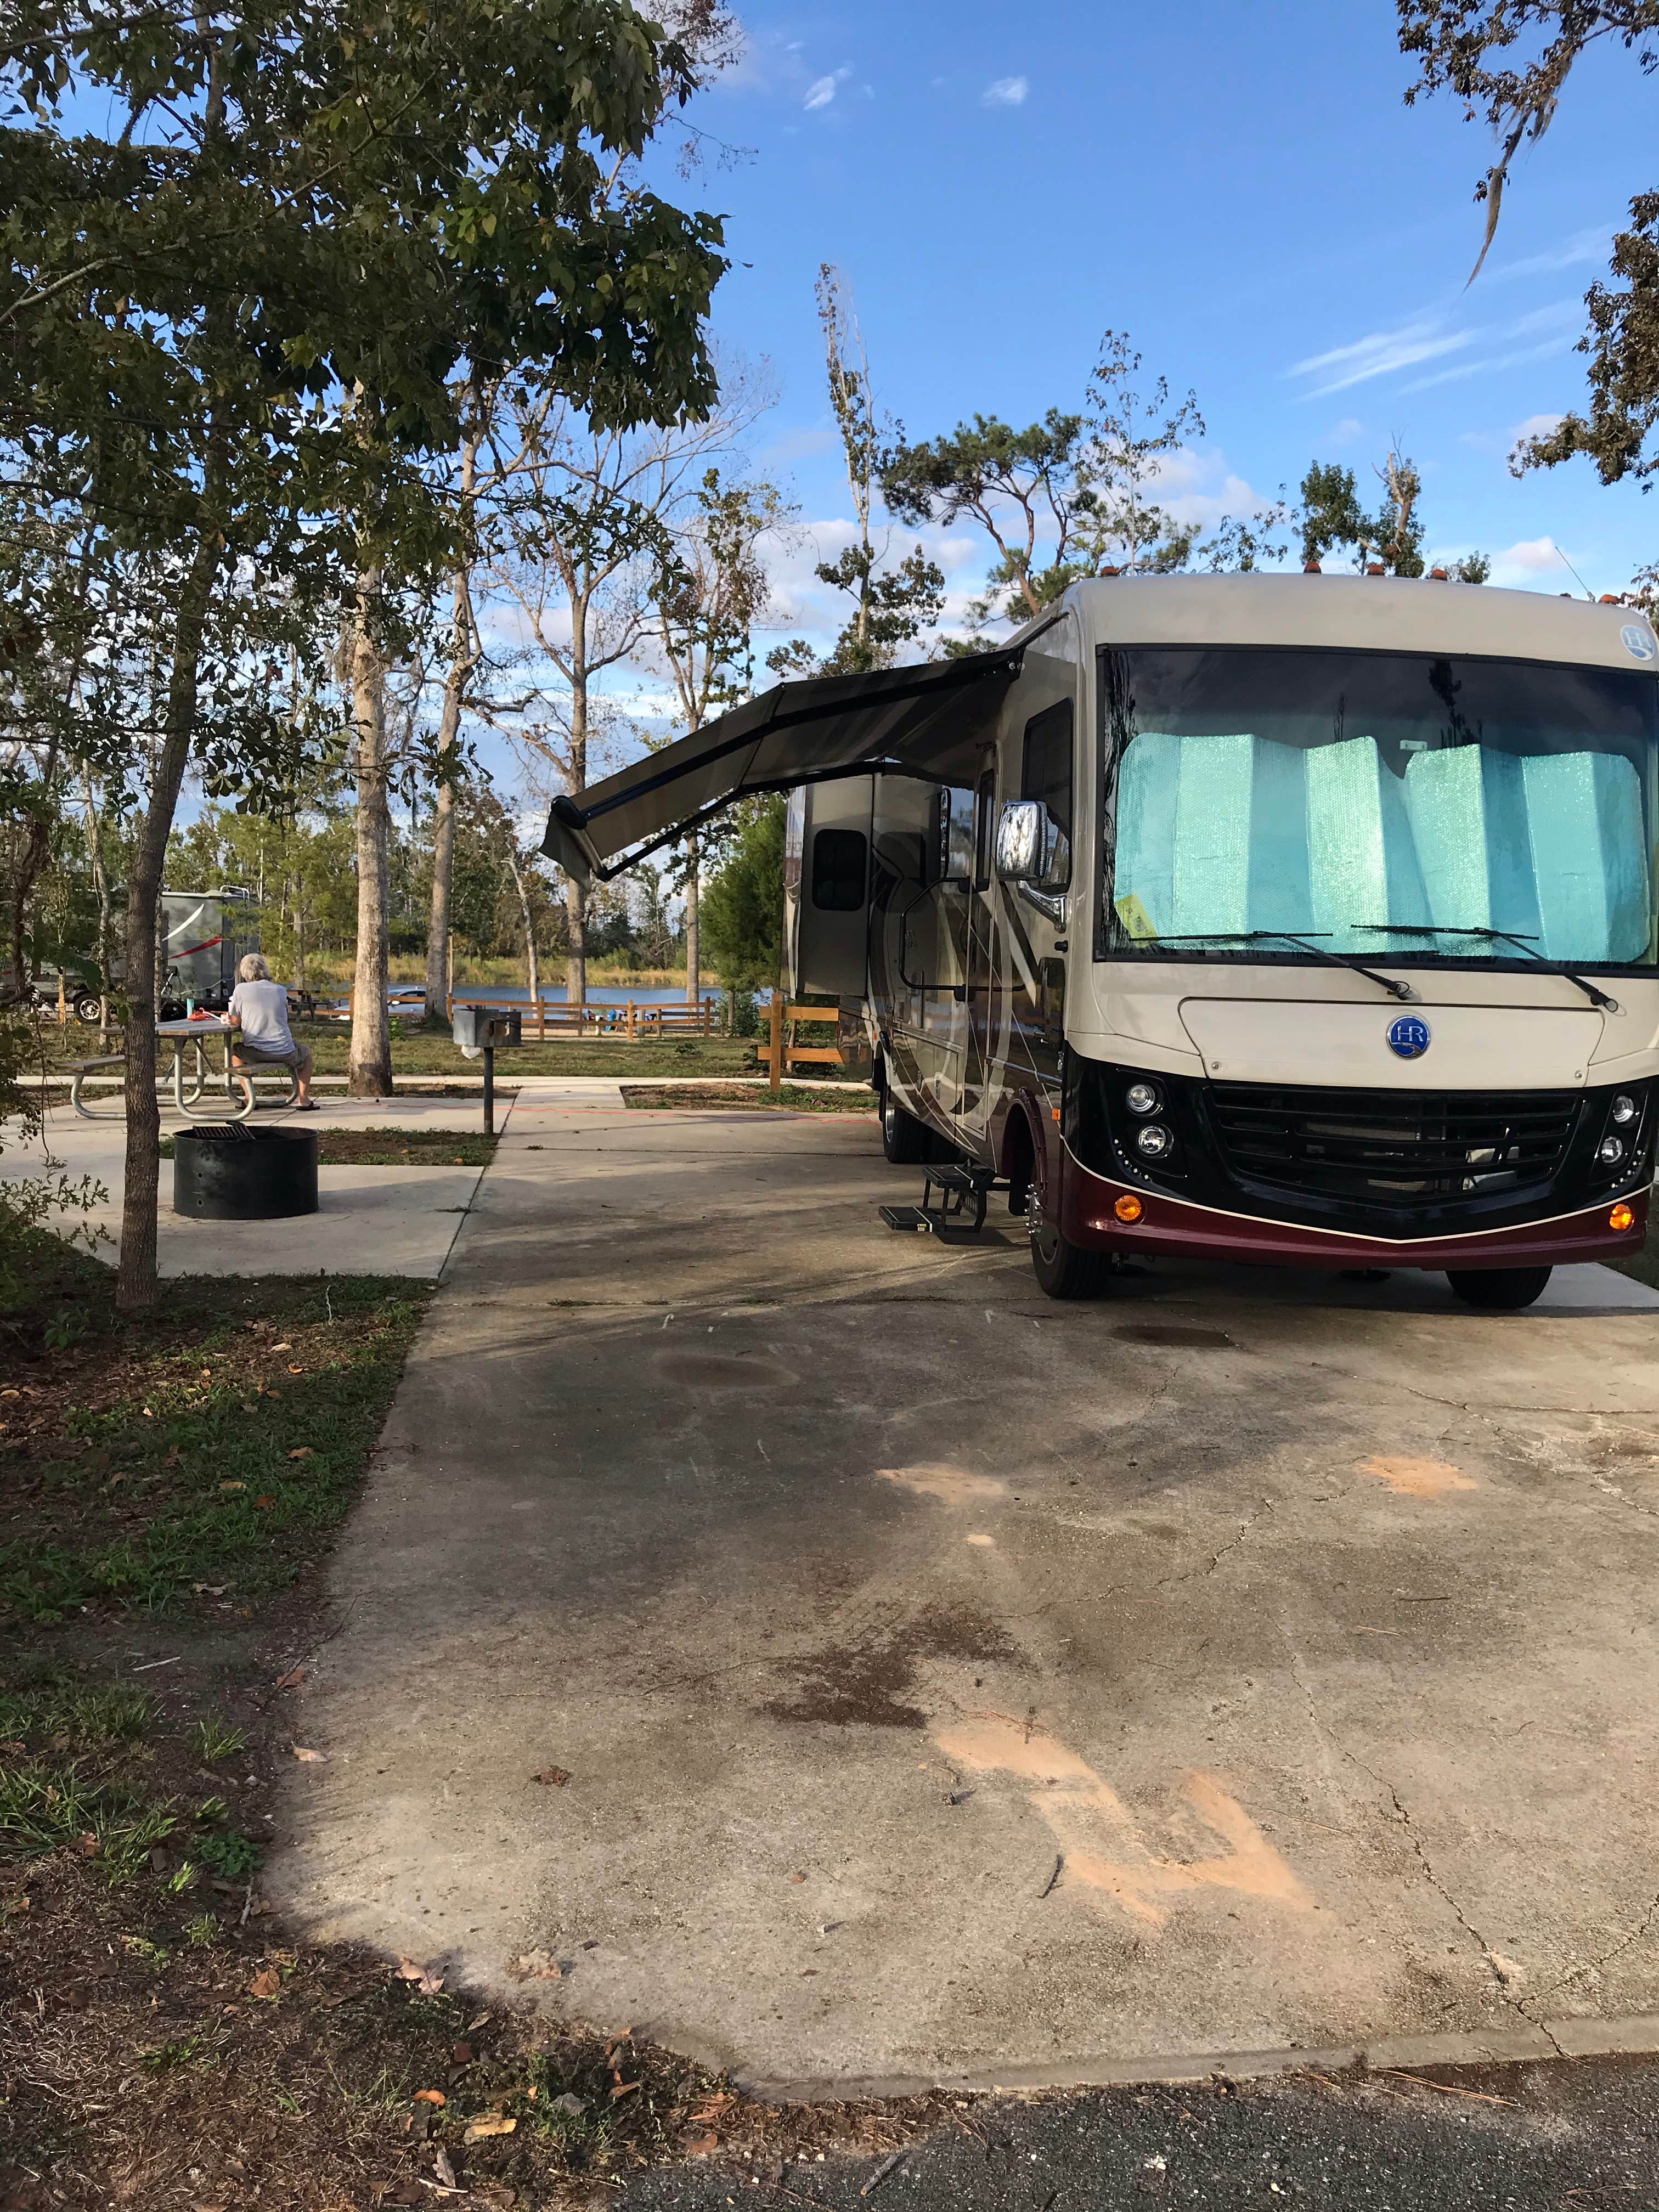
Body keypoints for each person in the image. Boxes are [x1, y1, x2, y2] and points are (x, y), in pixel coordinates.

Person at [227, 953, 316, 1109]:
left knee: (236, 1054)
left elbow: (235, 1021)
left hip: (256, 1051)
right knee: (305, 1054)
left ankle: (248, 1098)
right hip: (285, 1050)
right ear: (265, 970)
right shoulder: (280, 990)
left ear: (244, 972)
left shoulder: (241, 990)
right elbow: (284, 1016)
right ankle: (303, 1098)